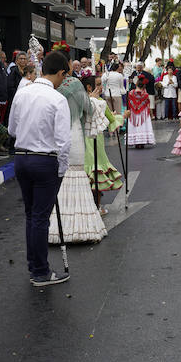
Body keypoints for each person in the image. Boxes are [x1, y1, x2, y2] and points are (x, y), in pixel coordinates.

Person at [7, 49, 72, 287]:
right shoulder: (57, 99)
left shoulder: (23, 93)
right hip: (45, 160)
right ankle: (41, 272)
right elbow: (64, 141)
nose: (64, 81)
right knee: (40, 217)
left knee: (31, 215)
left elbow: (12, 129)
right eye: (65, 76)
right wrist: (61, 170)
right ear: (61, 72)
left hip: (22, 158)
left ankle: (35, 267)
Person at [47, 68, 106, 244]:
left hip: (56, 135)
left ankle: (58, 229)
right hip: (74, 132)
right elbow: (88, 108)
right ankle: (82, 228)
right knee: (77, 175)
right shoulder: (74, 84)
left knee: (62, 178)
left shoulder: (52, 87)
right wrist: (94, 100)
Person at [82, 75, 123, 206]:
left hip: (81, 141)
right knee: (97, 176)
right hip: (95, 142)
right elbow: (112, 120)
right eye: (98, 84)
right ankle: (97, 207)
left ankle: (88, 207)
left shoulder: (80, 100)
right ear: (89, 87)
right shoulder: (100, 101)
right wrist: (124, 116)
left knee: (87, 175)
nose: (101, 87)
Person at [125, 75, 155, 148]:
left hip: (133, 113)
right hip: (143, 113)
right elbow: (148, 105)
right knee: (143, 126)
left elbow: (128, 103)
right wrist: (151, 115)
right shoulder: (145, 95)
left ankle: (136, 141)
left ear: (136, 84)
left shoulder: (131, 93)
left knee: (134, 126)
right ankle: (142, 141)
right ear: (144, 86)